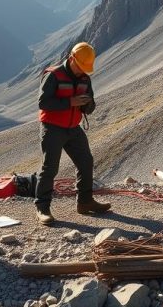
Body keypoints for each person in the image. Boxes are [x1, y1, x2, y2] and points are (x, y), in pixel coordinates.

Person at [34, 42, 111, 225]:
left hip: (73, 128)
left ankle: (85, 202)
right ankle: (42, 208)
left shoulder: (85, 78)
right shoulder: (53, 75)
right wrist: (71, 102)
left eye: (85, 68)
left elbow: (90, 106)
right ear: (71, 59)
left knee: (86, 161)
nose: (82, 71)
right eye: (80, 67)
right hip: (52, 127)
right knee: (50, 168)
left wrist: (86, 104)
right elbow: (43, 103)